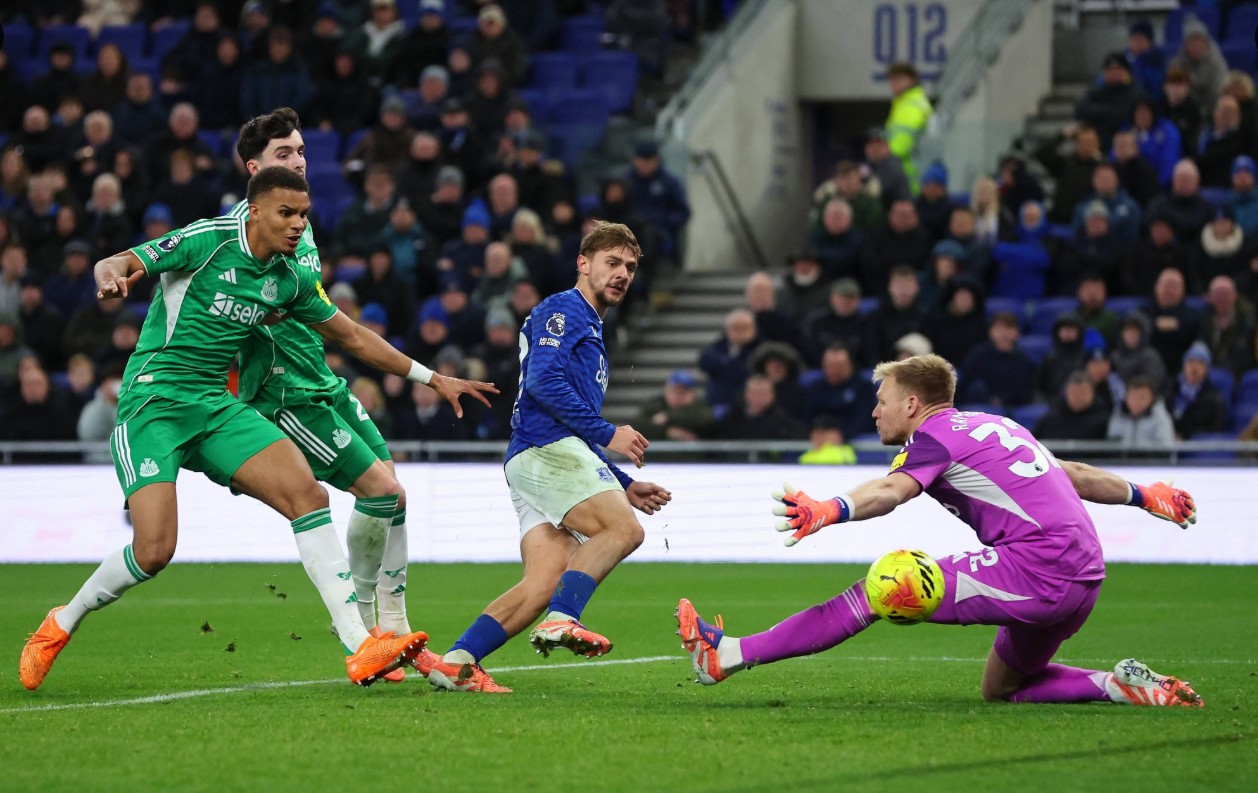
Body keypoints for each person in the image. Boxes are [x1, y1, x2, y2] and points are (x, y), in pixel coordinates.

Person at [18, 167, 492, 691]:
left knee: (308, 497)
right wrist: (108, 274)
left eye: (303, 215)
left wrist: (432, 378)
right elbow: (124, 259)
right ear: (257, 211)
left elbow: (353, 337)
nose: (296, 225)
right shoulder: (208, 240)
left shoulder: (287, 279)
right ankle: (59, 625)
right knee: (154, 551)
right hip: (153, 403)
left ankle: (361, 645)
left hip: (216, 406)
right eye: (286, 214)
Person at [676, 354, 1203, 708]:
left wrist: (831, 508)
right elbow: (1079, 475)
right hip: (1084, 575)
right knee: (1003, 689)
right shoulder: (998, 426)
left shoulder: (932, 437)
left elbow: (892, 492)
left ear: (911, 404)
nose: (874, 409)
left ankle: (727, 655)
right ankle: (1120, 684)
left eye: (882, 399)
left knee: (882, 586)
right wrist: (1142, 494)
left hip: (1038, 569)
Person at [224, 108, 487, 679]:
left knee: (396, 499)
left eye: (300, 152)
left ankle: (392, 625)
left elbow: (334, 324)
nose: (297, 161)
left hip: (324, 383)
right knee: (382, 491)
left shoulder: (300, 223)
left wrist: (429, 376)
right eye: (283, 155)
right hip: (285, 393)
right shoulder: (234, 241)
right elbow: (210, 327)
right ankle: (368, 630)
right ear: (253, 170)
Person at [423, 221, 672, 693]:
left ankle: (455, 662)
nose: (622, 274)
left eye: (631, 268)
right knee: (622, 529)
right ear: (583, 263)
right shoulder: (565, 309)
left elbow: (569, 415)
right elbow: (542, 383)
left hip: (535, 456)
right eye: (612, 263)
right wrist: (609, 433)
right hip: (544, 449)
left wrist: (622, 483)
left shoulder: (591, 326)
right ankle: (564, 619)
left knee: (543, 581)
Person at [883, 62, 932, 191]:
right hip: (911, 175)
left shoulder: (910, 106)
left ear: (912, 80)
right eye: (892, 80)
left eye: (899, 79)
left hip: (907, 178)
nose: (894, 84)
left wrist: (883, 160)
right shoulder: (906, 103)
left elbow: (899, 145)